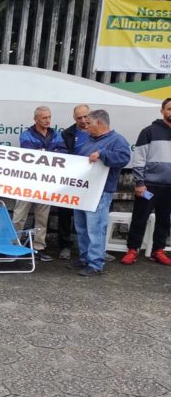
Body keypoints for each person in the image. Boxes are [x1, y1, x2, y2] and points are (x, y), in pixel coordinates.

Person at [68, 109, 131, 277]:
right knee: (81, 226)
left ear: (100, 123)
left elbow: (124, 158)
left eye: (89, 124)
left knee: (95, 228)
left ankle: (95, 263)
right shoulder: (88, 140)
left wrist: (103, 154)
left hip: (100, 191)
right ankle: (84, 258)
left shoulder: (117, 140)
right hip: (83, 190)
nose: (85, 127)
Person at [12, 106, 67, 262]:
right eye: (44, 118)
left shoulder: (56, 134)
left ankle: (38, 247)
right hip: (27, 181)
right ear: (36, 119)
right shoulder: (26, 135)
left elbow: (63, 153)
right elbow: (31, 154)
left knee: (42, 217)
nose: (48, 120)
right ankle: (14, 246)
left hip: (47, 182)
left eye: (49, 117)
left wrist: (45, 152)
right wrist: (50, 152)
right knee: (19, 216)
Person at [121, 97, 171, 266]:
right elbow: (139, 159)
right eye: (169, 108)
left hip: (169, 188)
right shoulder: (149, 131)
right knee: (140, 218)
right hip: (149, 186)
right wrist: (140, 183)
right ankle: (133, 250)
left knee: (164, 220)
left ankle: (158, 250)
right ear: (162, 111)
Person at [58, 105, 90, 260]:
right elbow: (61, 153)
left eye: (86, 116)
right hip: (70, 180)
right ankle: (64, 246)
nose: (83, 120)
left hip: (92, 182)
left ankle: (93, 248)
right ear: (74, 118)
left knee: (91, 215)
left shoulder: (99, 131)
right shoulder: (67, 134)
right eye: (79, 118)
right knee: (65, 214)